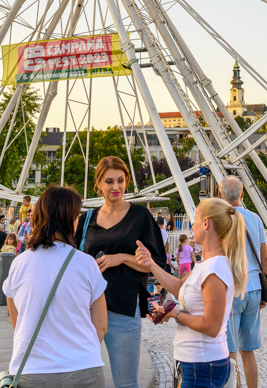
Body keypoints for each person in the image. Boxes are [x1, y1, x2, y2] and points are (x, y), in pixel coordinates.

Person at [76, 156, 168, 388]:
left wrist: (123, 258)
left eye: (120, 180)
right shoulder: (86, 219)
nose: (115, 187)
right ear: (98, 184)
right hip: (85, 310)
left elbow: (157, 262)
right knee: (79, 380)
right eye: (109, 181)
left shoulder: (140, 217)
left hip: (123, 308)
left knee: (126, 383)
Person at [135, 197, 247, 388]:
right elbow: (180, 287)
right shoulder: (206, 264)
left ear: (206, 223)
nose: (192, 225)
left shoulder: (214, 268)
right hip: (196, 363)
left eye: (194, 219)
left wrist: (174, 313)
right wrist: (151, 264)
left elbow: (211, 326)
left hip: (202, 365)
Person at [5, 185, 107, 388]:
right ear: (70, 219)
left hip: (32, 370)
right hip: (83, 367)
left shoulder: (19, 263)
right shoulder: (87, 264)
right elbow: (101, 326)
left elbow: (18, 323)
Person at [219, 176, 267, 388]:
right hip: (254, 288)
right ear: (242, 194)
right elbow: (264, 257)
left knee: (230, 351)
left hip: (231, 288)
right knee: (248, 351)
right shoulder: (256, 219)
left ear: (219, 194)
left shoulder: (220, 219)